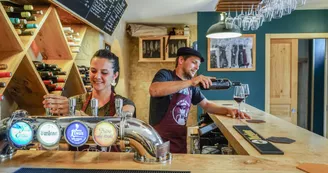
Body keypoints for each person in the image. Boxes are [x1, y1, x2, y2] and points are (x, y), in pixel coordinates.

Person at [149, 47, 250, 153]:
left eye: (198, 65)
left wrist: (229, 110)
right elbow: (154, 90)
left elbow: (206, 105)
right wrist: (191, 82)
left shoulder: (191, 86)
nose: (197, 67)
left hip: (179, 142)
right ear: (181, 60)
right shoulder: (166, 75)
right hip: (159, 142)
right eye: (194, 62)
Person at [43, 49, 136, 117]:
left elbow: (112, 129)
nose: (97, 76)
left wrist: (74, 113)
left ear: (114, 75)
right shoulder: (74, 101)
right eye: (93, 71)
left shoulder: (126, 105)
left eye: (104, 72)